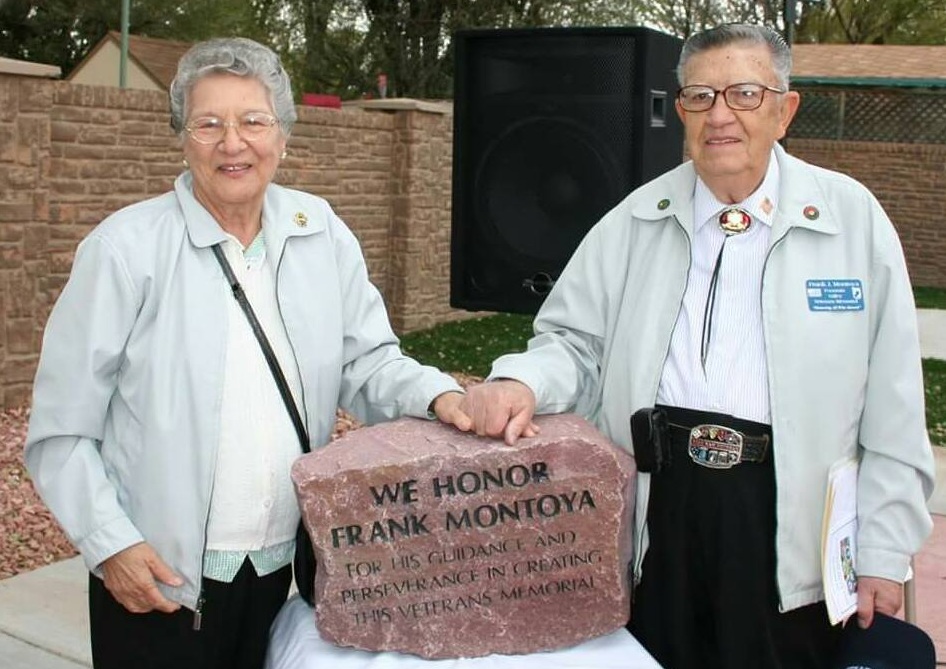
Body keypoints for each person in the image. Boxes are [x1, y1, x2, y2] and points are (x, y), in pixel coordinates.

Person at [457, 23, 935, 669]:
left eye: (744, 93)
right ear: (680, 109)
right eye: (700, 96)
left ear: (784, 110)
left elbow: (896, 406)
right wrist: (522, 381)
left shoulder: (852, 221)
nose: (721, 116)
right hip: (663, 506)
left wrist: (883, 549)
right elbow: (570, 340)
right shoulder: (633, 219)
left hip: (786, 512)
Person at [24, 37, 470, 669]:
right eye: (209, 123)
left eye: (253, 121)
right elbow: (61, 430)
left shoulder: (319, 232)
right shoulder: (124, 251)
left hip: (275, 570)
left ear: (283, 135)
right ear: (183, 136)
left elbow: (367, 361)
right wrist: (108, 544)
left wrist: (441, 396)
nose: (233, 143)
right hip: (157, 578)